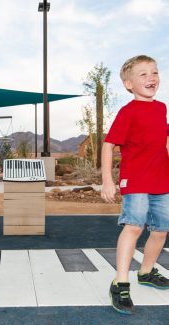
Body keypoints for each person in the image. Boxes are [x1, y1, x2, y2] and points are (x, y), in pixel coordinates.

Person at [101, 55, 169, 315]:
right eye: (143, 74)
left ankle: (146, 271)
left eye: (154, 72)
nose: (151, 78)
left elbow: (162, 141)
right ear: (129, 84)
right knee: (133, 226)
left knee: (161, 230)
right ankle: (120, 282)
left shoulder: (161, 108)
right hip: (136, 179)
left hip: (162, 179)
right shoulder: (127, 112)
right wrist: (108, 180)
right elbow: (109, 145)